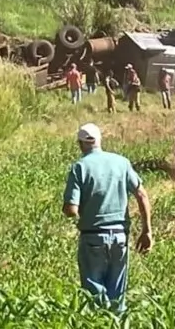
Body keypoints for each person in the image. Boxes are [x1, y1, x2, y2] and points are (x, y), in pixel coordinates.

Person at [62, 123, 153, 314]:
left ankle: (99, 323)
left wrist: (73, 209)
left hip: (92, 237)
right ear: (100, 141)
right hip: (120, 236)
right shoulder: (121, 162)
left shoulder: (79, 167)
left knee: (94, 293)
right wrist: (147, 231)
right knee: (117, 293)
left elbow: (71, 210)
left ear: (80, 144)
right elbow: (142, 195)